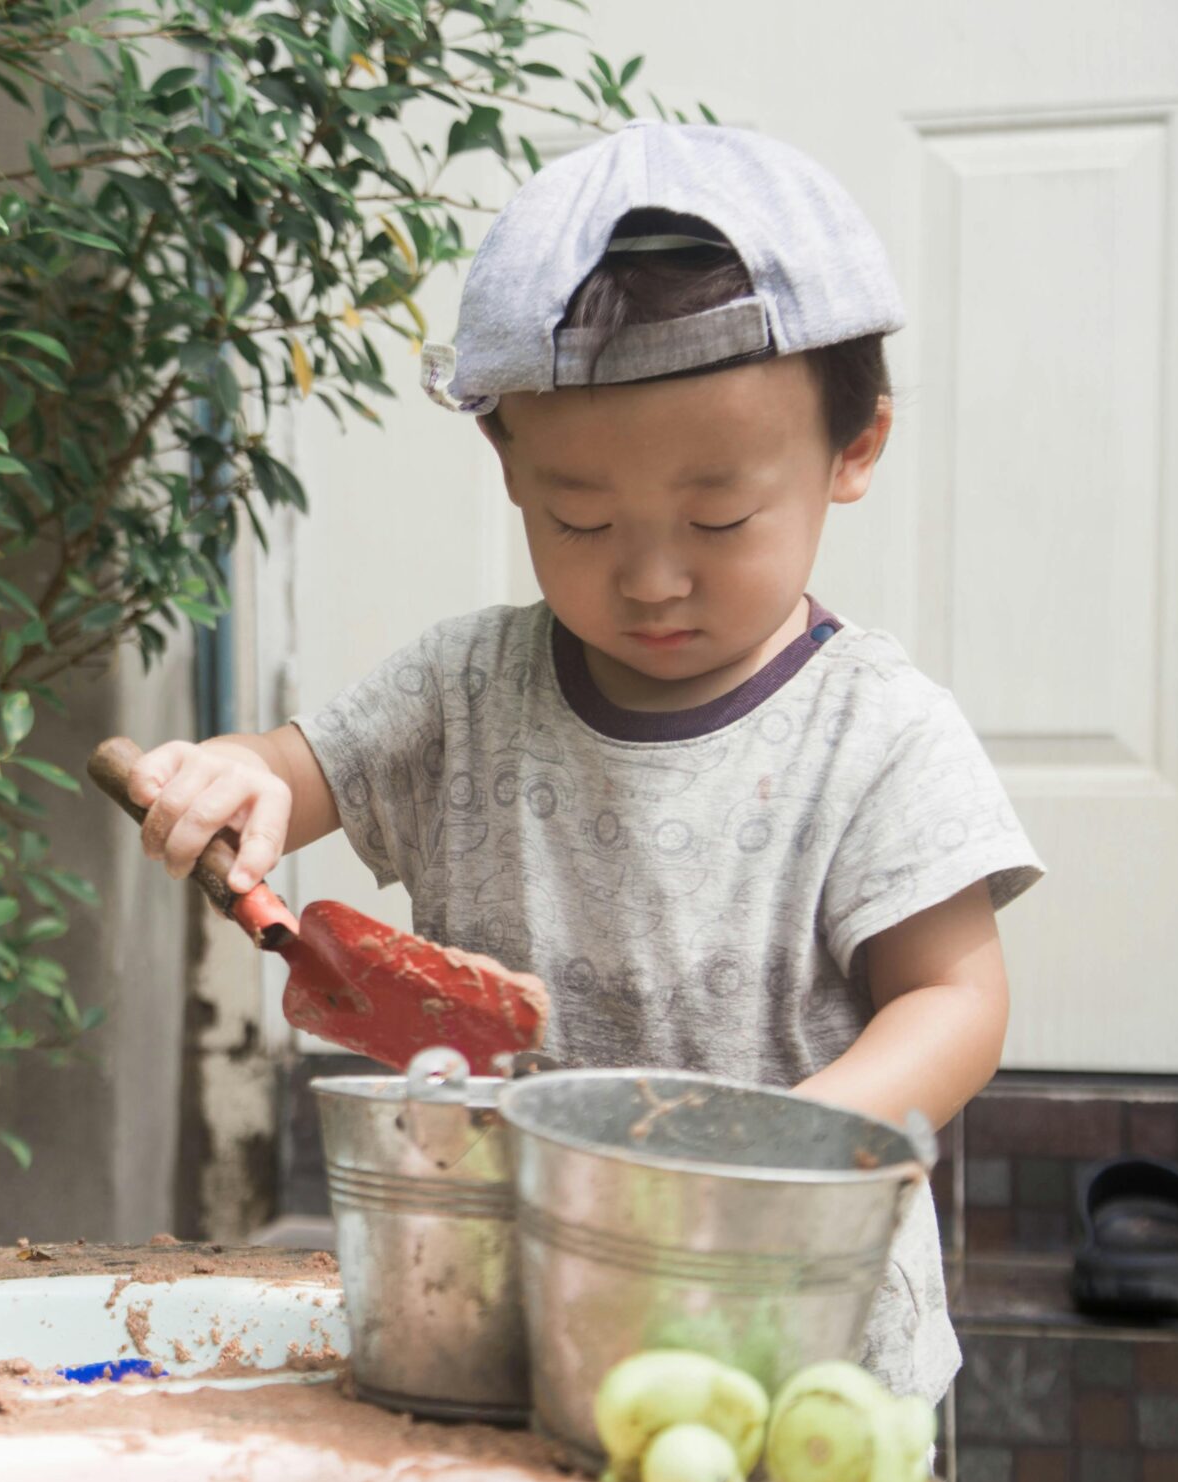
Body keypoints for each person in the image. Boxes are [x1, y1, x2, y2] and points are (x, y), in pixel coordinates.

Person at [125, 123, 1043, 1404]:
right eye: (581, 517)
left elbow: (956, 1001)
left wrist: (770, 1148)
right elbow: (286, 769)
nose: (651, 575)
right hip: (508, 1303)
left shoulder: (877, 732)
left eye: (718, 517)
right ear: (507, 466)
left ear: (854, 451)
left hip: (796, 1332)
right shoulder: (459, 689)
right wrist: (228, 776)